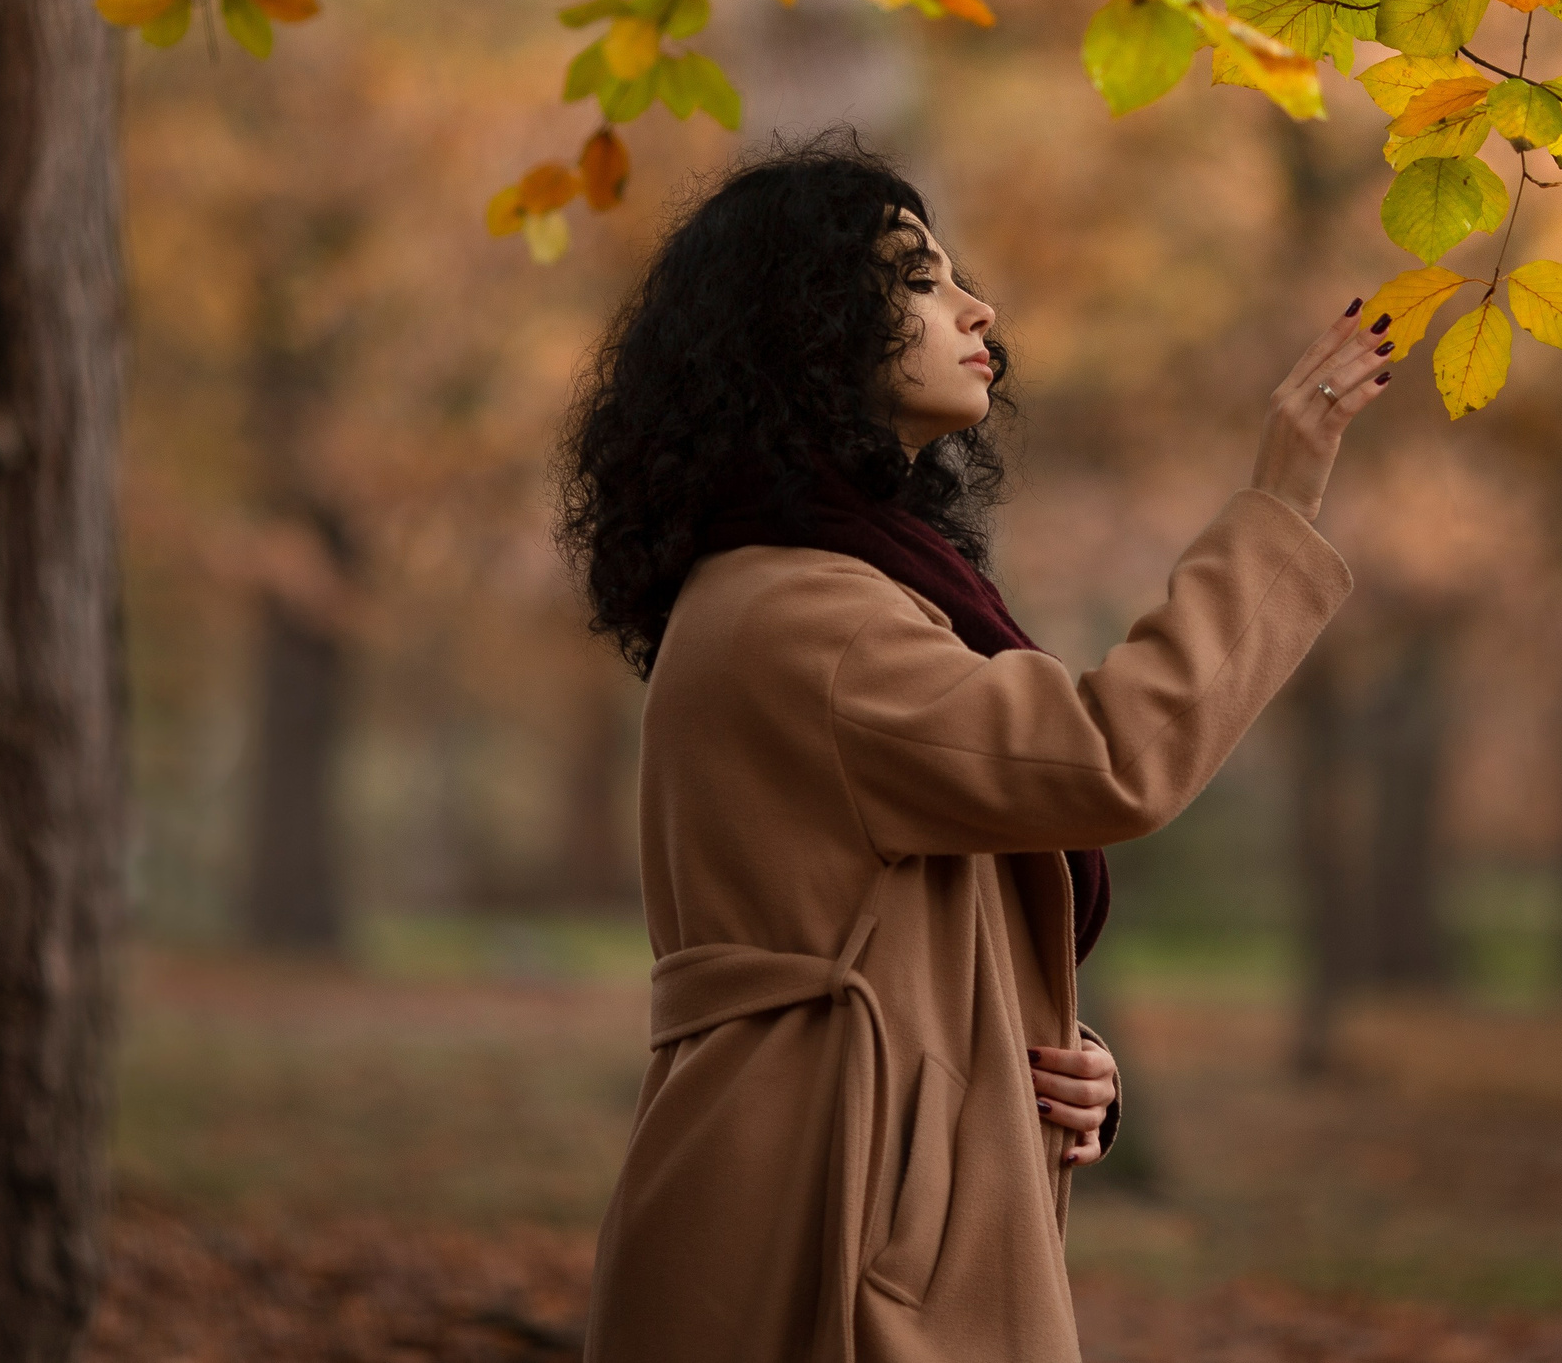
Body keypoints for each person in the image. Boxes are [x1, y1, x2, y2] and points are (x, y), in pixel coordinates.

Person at [556, 135, 1396, 1362]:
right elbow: (1111, 758)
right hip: (814, 1216)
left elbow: (909, 910)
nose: (974, 305)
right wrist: (1278, 501)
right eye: (915, 276)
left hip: (845, 1176)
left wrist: (1046, 1061)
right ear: (803, 329)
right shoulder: (803, 615)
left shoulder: (828, 590)